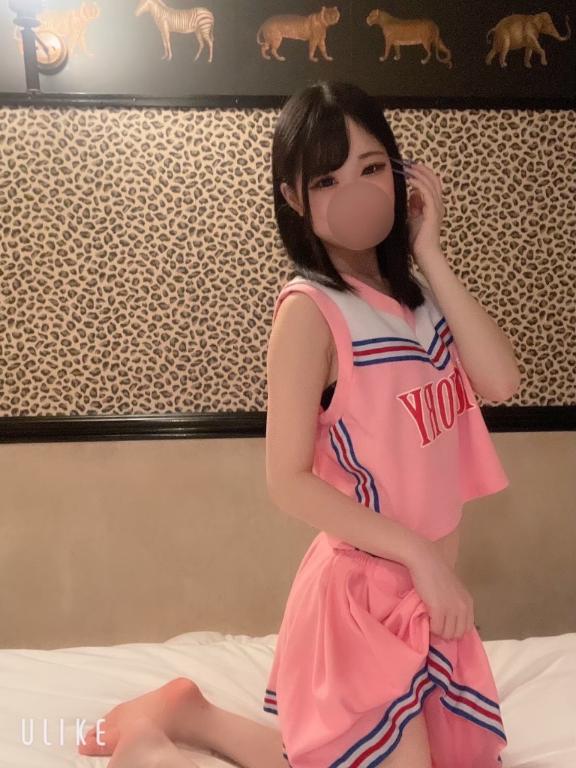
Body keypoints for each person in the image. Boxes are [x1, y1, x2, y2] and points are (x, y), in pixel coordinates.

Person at [78, 80, 521, 768]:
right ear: (293, 197)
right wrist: (419, 556)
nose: (356, 192)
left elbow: (500, 381)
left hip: (427, 600)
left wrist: (429, 251)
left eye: (371, 168)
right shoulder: (312, 311)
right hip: (362, 601)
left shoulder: (421, 304)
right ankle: (149, 748)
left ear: (399, 173)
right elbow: (287, 481)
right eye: (327, 180)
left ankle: (192, 713)